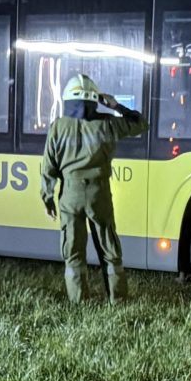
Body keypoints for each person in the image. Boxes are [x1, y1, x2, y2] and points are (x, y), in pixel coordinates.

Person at [39, 73, 145, 303]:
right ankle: (118, 299)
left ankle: (79, 301)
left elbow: (48, 167)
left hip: (70, 195)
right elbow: (140, 123)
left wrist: (48, 197)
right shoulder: (107, 124)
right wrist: (116, 106)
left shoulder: (58, 127)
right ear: (93, 100)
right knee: (109, 249)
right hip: (100, 194)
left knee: (73, 252)